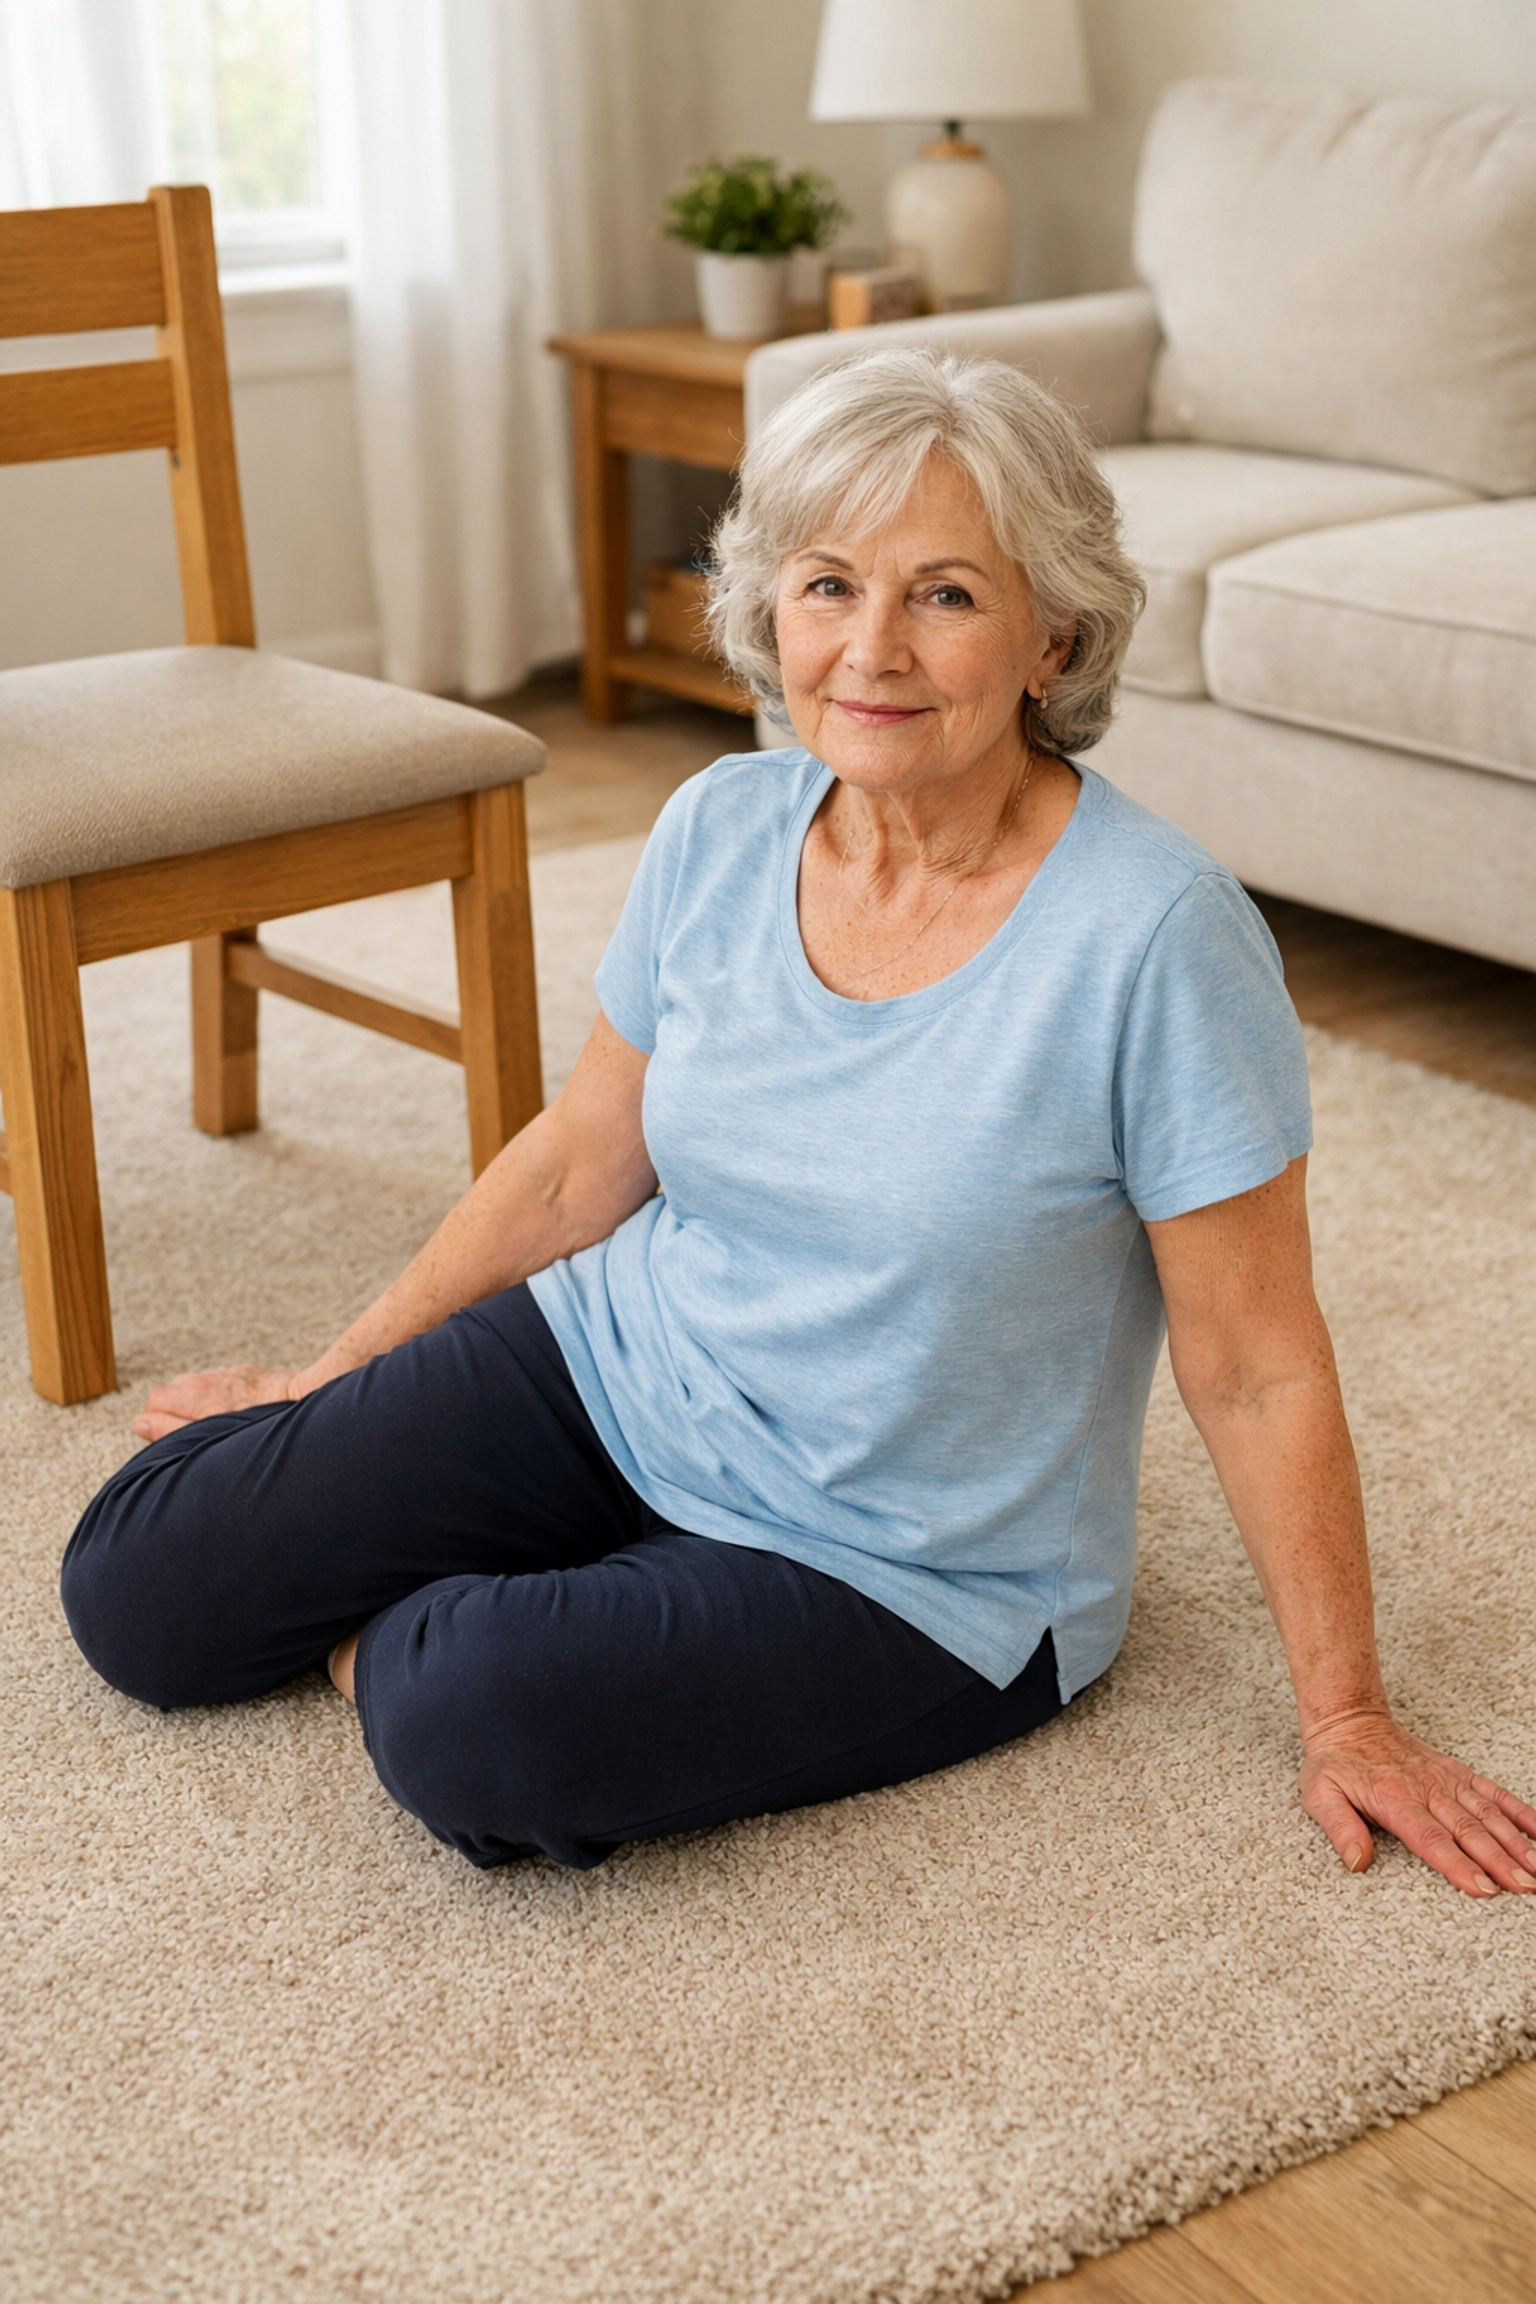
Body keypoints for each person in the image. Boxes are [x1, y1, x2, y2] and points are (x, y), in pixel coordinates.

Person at [62, 350, 1536, 1895]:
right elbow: (577, 1167)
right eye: (828, 585)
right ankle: (573, 1573)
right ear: (770, 607)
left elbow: (1254, 1363)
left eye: (948, 595)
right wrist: (336, 1379)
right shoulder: (719, 823)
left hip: (905, 1559)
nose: (872, 650)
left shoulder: (1159, 937)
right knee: (144, 1584)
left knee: (467, 1723)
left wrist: (1350, 1716)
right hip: (625, 1364)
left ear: (1056, 637)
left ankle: (537, 1611)